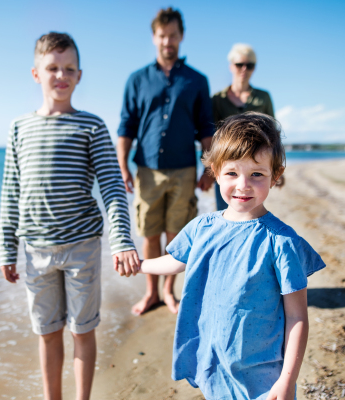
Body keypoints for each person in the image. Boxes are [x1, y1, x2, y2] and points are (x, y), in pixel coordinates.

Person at [139, 112, 326, 399]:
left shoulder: (281, 241)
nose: (243, 185)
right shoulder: (202, 227)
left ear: (275, 175)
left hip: (262, 376)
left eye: (257, 174)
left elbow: (297, 316)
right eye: (232, 173)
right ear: (214, 170)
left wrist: (287, 381)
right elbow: (177, 261)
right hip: (214, 362)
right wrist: (139, 265)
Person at [0, 32, 140, 400]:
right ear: (36, 73)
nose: (60, 75)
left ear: (79, 75)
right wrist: (6, 248)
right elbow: (11, 192)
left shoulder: (91, 126)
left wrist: (122, 240)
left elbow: (111, 186)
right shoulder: (19, 128)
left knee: (82, 330)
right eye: (52, 68)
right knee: (47, 332)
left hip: (82, 249)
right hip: (35, 251)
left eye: (68, 69)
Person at [117, 7, 214, 316]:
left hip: (185, 169)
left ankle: (169, 291)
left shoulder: (197, 81)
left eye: (173, 35)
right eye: (162, 35)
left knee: (176, 234)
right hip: (146, 170)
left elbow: (206, 130)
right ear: (154, 37)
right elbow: (125, 127)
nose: (167, 41)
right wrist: (122, 167)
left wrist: (209, 167)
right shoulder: (137, 80)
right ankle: (150, 293)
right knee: (149, 234)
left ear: (181, 37)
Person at [212, 43, 276, 210]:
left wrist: (275, 167)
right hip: (228, 167)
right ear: (231, 66)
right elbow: (211, 137)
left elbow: (273, 135)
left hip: (255, 168)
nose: (244, 69)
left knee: (252, 211)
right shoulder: (217, 100)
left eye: (250, 65)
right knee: (224, 212)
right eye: (240, 64)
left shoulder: (263, 98)